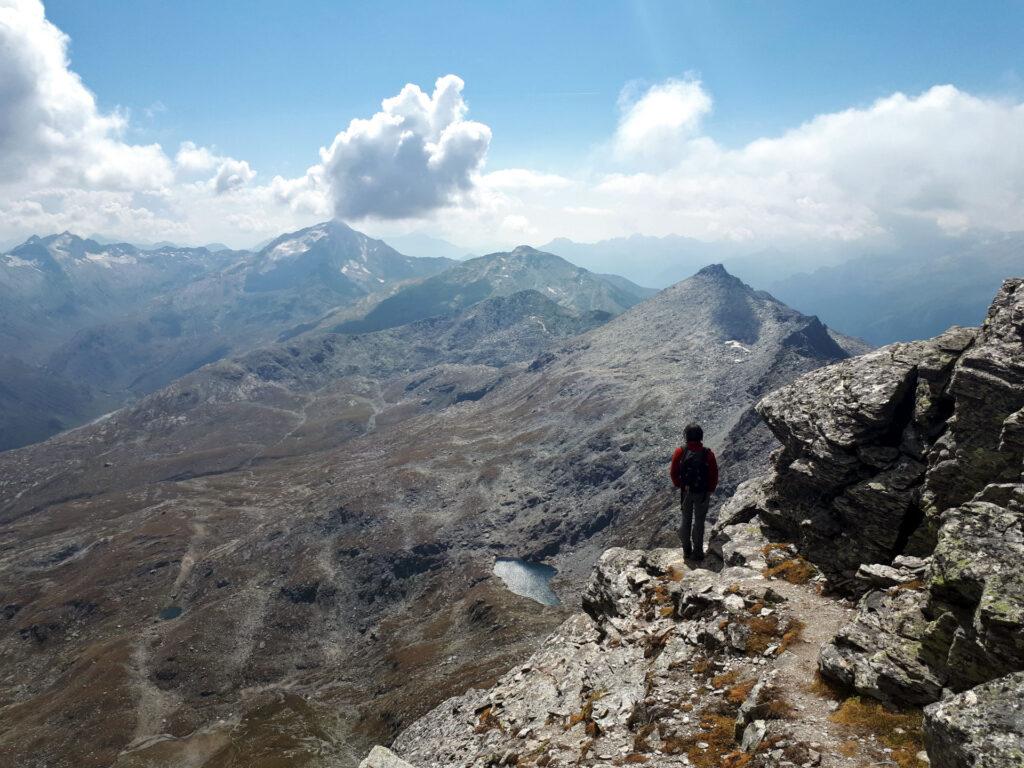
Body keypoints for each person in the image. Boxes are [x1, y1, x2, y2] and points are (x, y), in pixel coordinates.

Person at [669, 423, 719, 560]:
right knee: (699, 521)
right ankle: (698, 552)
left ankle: (686, 550)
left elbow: (673, 472)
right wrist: (709, 490)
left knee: (685, 521)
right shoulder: (707, 453)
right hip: (702, 493)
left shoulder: (680, 451)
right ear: (700, 436)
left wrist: (681, 485)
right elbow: (714, 474)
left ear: (686, 436)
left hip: (686, 492)